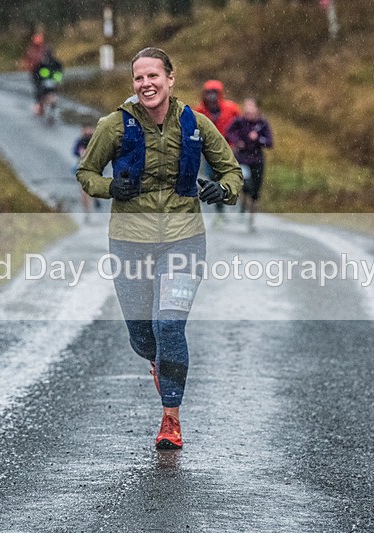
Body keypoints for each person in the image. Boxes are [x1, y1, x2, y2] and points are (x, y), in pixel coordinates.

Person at [76, 48, 242, 450]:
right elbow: (85, 173)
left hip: (184, 239)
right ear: (133, 84)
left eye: (154, 76)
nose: (146, 84)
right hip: (130, 243)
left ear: (170, 79)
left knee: (169, 325)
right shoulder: (113, 126)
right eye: (139, 78)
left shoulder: (196, 125)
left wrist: (222, 190)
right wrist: (109, 187)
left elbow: (231, 171)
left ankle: (171, 419)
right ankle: (157, 361)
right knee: (144, 337)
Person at [194, 79, 241, 225]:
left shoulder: (231, 109)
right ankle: (219, 208)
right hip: (208, 151)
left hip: (229, 148)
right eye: (209, 93)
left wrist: (236, 142)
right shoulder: (199, 111)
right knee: (213, 178)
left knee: (232, 174)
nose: (212, 97)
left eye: (214, 93)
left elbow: (240, 127)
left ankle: (235, 203)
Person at [225, 97, 274, 232]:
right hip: (242, 159)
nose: (249, 113)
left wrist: (258, 139)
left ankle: (251, 220)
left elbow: (269, 143)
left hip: (257, 160)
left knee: (255, 191)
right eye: (247, 110)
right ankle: (242, 204)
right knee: (245, 184)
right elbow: (227, 132)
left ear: (257, 110)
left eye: (252, 110)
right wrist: (237, 141)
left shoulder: (262, 124)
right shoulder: (239, 122)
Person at [73, 123, 100, 221]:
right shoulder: (80, 141)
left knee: (87, 191)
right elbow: (75, 151)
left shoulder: (96, 140)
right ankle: (87, 213)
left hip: (93, 170)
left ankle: (90, 209)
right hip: (83, 170)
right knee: (84, 193)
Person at [33, 46, 63, 123]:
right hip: (44, 86)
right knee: (43, 97)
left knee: (52, 99)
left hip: (51, 86)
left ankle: (50, 113)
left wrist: (57, 82)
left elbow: (59, 74)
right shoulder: (41, 64)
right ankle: (41, 107)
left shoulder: (56, 64)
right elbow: (35, 75)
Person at [22, 32, 47, 115]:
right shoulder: (31, 49)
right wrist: (29, 67)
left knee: (42, 86)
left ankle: (41, 102)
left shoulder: (44, 49)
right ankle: (38, 103)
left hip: (42, 71)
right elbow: (27, 59)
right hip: (34, 71)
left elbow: (48, 59)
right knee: (37, 87)